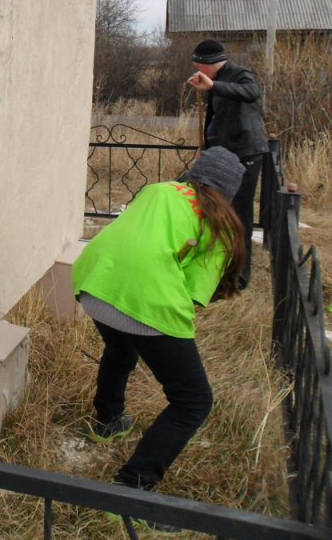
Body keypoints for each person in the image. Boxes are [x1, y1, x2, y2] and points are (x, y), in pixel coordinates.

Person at [72, 146, 246, 497]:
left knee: (121, 346)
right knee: (193, 401)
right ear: (230, 191)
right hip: (142, 298)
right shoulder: (220, 227)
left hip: (92, 283)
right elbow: (194, 294)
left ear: (195, 172)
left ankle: (109, 420)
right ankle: (134, 485)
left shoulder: (158, 190)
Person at [186, 39, 268, 289]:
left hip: (245, 153)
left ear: (210, 63)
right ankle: (219, 267)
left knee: (239, 215)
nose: (196, 67)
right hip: (224, 154)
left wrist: (214, 86)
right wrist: (206, 148)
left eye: (198, 63)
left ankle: (239, 278)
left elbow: (251, 93)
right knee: (216, 210)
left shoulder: (240, 74)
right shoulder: (217, 80)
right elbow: (216, 119)